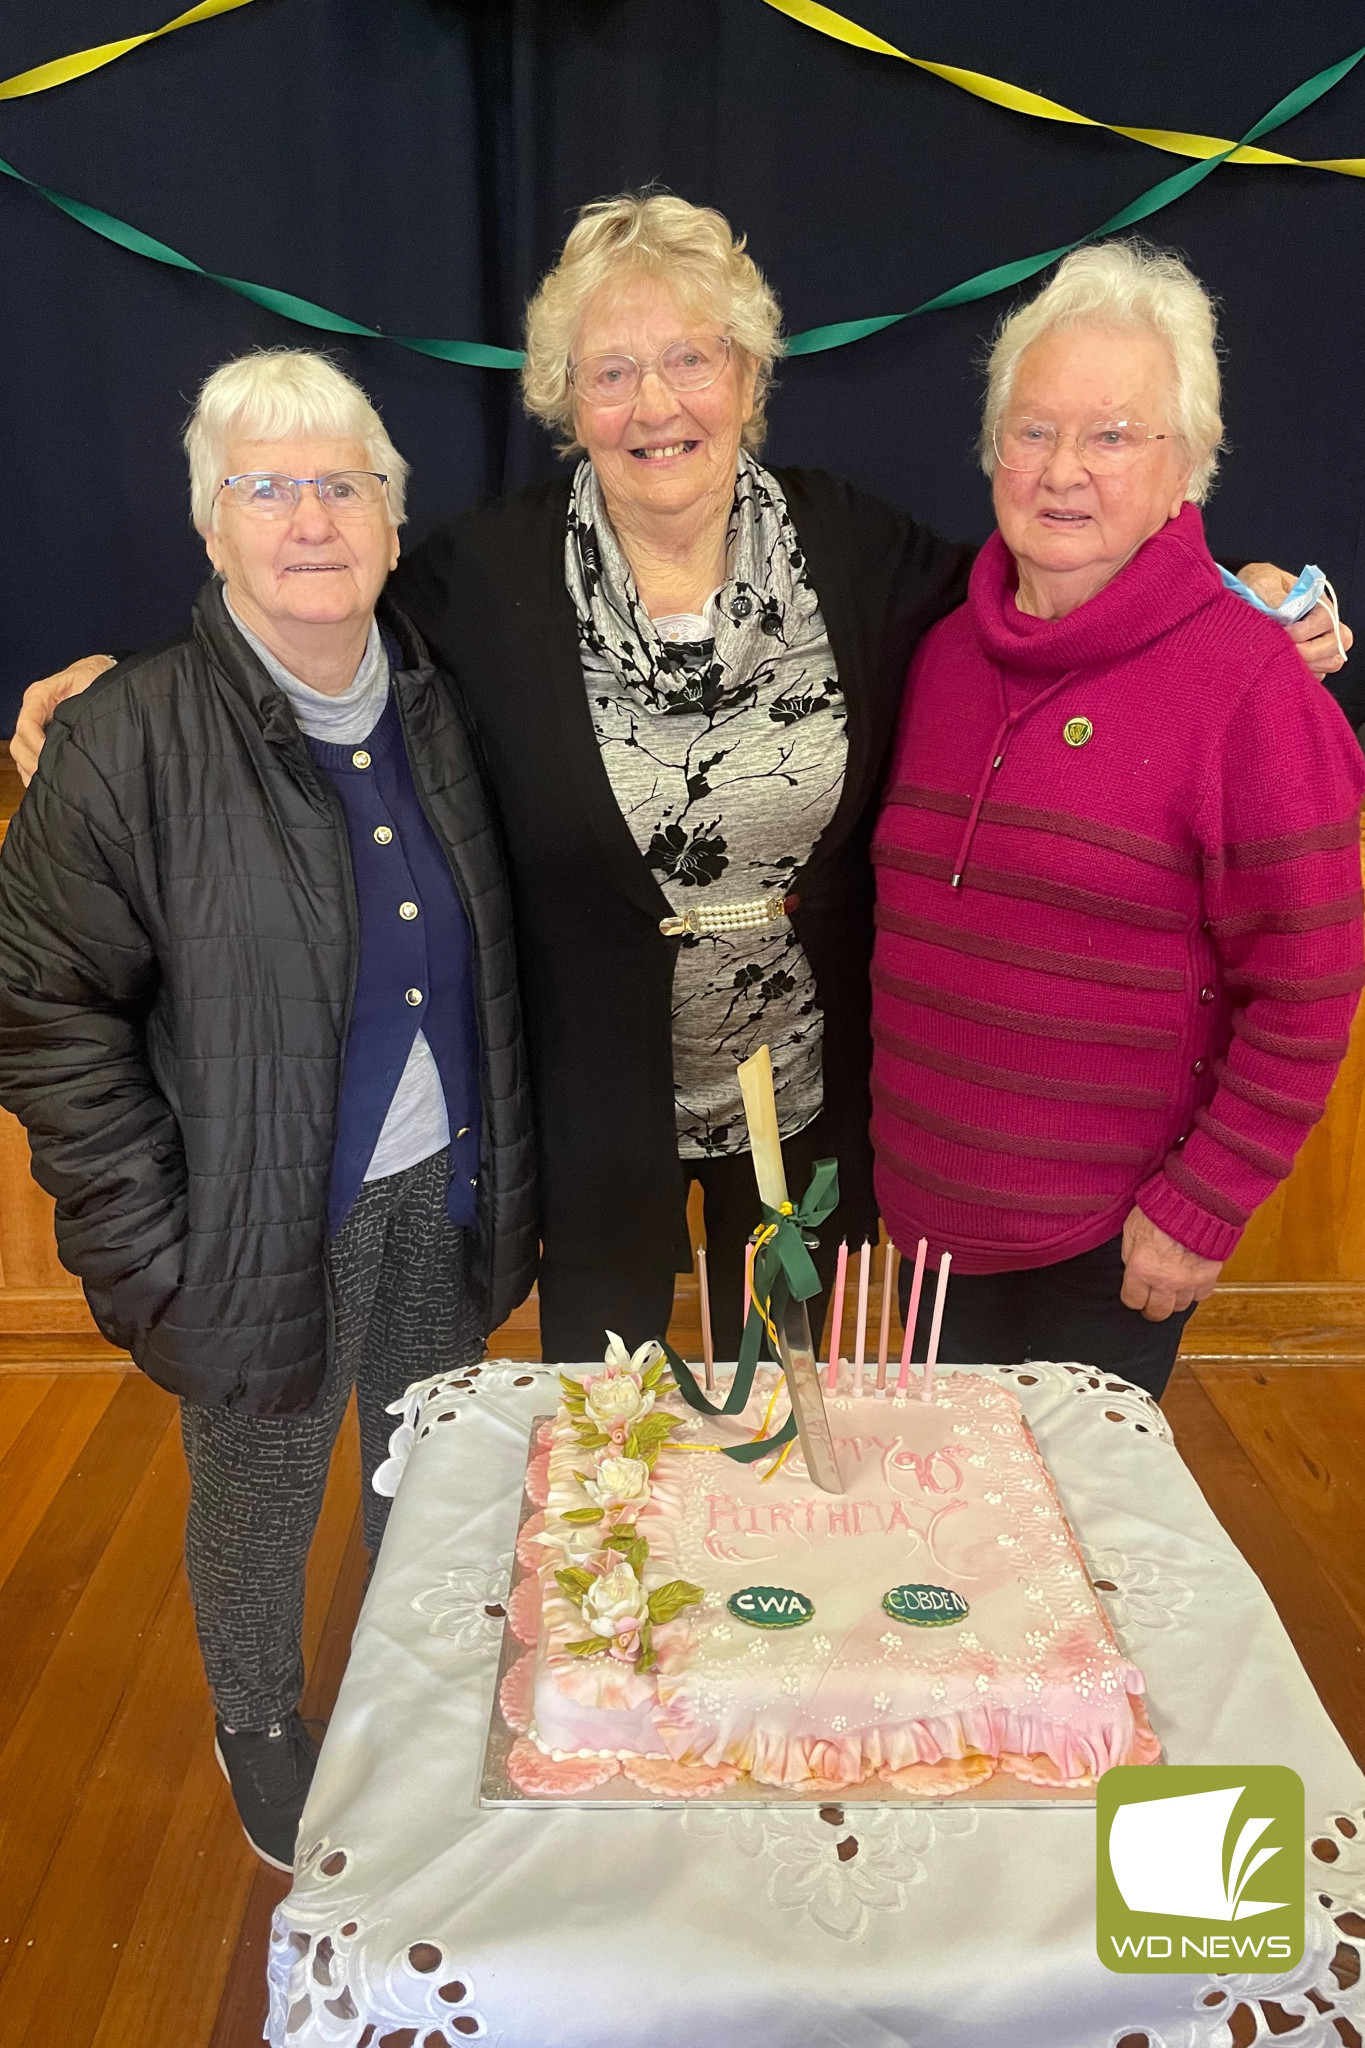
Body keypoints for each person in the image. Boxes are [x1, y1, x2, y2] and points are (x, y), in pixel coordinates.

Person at [8, 195, 1344, 1366]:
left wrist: (1248, 597)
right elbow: (316, 620)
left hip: (822, 1117)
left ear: (751, 378)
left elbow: (1056, 607)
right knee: (620, 1456)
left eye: (691, 359)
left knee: (808, 1433)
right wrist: (134, 699)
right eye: (613, 372)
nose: (656, 404)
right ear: (563, 399)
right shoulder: (482, 580)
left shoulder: (858, 553)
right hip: (598, 1126)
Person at [0, 351, 536, 1868]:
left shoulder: (443, 705)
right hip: (241, 1221)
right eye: (268, 486)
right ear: (212, 527)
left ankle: (419, 1682)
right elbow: (41, 1015)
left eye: (342, 483)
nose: (311, 518)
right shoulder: (124, 742)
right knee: (258, 1489)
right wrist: (146, 1248)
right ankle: (259, 1716)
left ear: (388, 513)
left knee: (424, 1459)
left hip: (443, 1182)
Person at [871, 241, 1365, 1397]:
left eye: (1110, 435)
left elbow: (1310, 979)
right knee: (938, 1549)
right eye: (1033, 430)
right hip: (924, 1232)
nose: (1062, 470)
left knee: (1072, 1560)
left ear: (1187, 463)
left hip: (1108, 1247)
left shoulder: (1247, 681)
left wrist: (1206, 1202)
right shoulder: (942, 651)